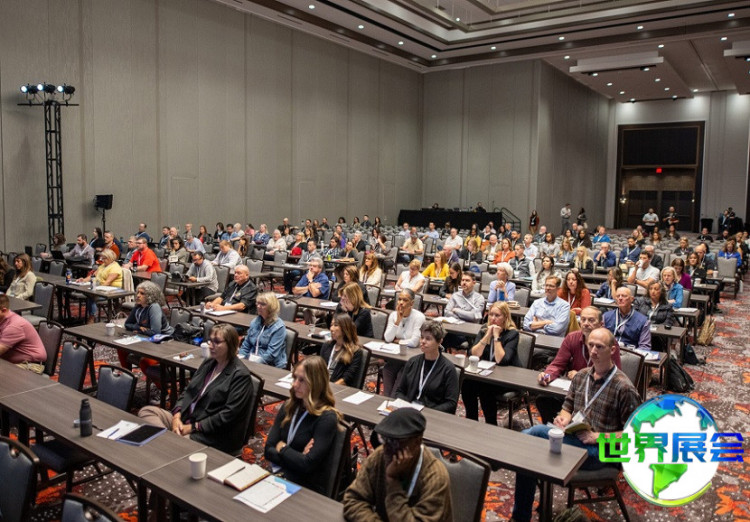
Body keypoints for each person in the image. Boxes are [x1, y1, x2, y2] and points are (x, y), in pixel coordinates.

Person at [512, 328, 641, 522]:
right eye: (591, 345)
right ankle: (521, 517)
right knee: (528, 452)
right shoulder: (581, 376)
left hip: (603, 452)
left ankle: (508, 457)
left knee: (535, 436)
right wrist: (563, 418)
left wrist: (597, 437)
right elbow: (567, 407)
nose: (594, 351)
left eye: (600, 347)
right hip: (576, 439)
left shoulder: (624, 387)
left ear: (613, 350)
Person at [138, 324, 252, 453]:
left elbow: (227, 416)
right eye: (210, 341)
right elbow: (188, 390)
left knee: (180, 443)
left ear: (230, 344)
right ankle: (169, 444)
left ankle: (168, 444)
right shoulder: (209, 362)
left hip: (212, 434)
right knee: (147, 411)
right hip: (187, 419)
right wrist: (176, 416)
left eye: (217, 342)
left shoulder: (240, 375)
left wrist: (193, 427)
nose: (210, 345)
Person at [343, 407, 452, 522]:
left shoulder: (435, 477)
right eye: (385, 440)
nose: (388, 449)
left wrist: (393, 482)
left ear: (417, 441)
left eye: (395, 443)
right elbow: (353, 500)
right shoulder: (380, 455)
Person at [264, 356, 341, 494]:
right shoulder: (289, 406)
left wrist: (282, 448)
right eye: (295, 378)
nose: (295, 385)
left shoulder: (326, 418)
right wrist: (297, 457)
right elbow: (268, 450)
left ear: (316, 383)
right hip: (282, 475)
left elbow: (307, 465)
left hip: (306, 487)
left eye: (302, 380)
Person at [536, 307, 622, 423]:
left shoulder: (609, 343)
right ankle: (555, 430)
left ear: (601, 324)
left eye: (591, 320)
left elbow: (614, 374)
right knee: (543, 399)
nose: (586, 323)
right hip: (573, 389)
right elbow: (557, 364)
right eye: (583, 319)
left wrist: (582, 376)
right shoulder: (572, 338)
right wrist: (547, 375)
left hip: (598, 392)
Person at [463, 302, 521, 424]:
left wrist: (496, 337)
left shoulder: (512, 334)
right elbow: (473, 354)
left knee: (485, 387)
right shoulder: (484, 330)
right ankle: (471, 420)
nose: (493, 318)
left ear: (505, 317)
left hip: (508, 378)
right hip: (488, 374)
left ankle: (491, 423)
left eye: (497, 315)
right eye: (491, 315)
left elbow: (502, 360)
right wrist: (487, 336)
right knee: (467, 383)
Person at [395, 323, 459, 413]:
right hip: (409, 411)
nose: (423, 341)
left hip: (432, 414)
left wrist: (427, 412)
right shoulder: (412, 362)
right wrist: (406, 406)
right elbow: (400, 391)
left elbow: (451, 403)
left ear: (439, 342)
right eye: (422, 337)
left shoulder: (448, 369)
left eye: (428, 339)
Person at [122, 281, 174, 371]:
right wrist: (138, 327)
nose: (138, 295)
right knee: (122, 349)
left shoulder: (154, 307)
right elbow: (127, 324)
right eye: (138, 292)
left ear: (150, 296)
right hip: (147, 338)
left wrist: (138, 331)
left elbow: (155, 333)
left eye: (142, 294)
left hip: (164, 342)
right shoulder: (138, 306)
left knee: (145, 361)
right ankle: (127, 374)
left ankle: (156, 380)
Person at [382, 289, 426, 397]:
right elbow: (388, 338)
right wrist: (397, 321)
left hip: (412, 358)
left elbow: (414, 342)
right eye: (399, 299)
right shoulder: (393, 315)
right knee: (387, 369)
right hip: (397, 355)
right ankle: (386, 398)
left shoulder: (419, 317)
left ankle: (394, 399)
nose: (401, 303)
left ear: (412, 303)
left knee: (402, 374)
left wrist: (398, 341)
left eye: (405, 300)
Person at [0, 294, 47, 373]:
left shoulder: (14, 326)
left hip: (31, 365)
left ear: (3, 310)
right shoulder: (3, 319)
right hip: (14, 362)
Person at [239, 292, 287, 368]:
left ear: (271, 307)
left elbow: (271, 354)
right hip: (252, 361)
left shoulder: (279, 327)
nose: (258, 306)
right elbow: (246, 345)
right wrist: (241, 358)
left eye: (262, 304)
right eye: (257, 303)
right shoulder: (254, 322)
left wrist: (253, 365)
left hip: (271, 365)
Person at [76, 249, 123, 323]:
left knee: (92, 296)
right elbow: (93, 276)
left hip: (112, 291)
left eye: (104, 258)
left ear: (110, 258)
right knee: (89, 294)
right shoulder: (103, 266)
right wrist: (83, 280)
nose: (102, 260)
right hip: (101, 288)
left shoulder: (115, 268)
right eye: (102, 258)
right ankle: (92, 316)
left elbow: (107, 283)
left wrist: (96, 288)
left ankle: (92, 317)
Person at [320, 314, 364, 387]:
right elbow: (319, 368)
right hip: (323, 384)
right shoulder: (327, 346)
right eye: (331, 325)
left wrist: (328, 388)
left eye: (335, 325)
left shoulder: (355, 351)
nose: (331, 328)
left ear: (345, 328)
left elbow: (346, 379)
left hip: (337, 388)